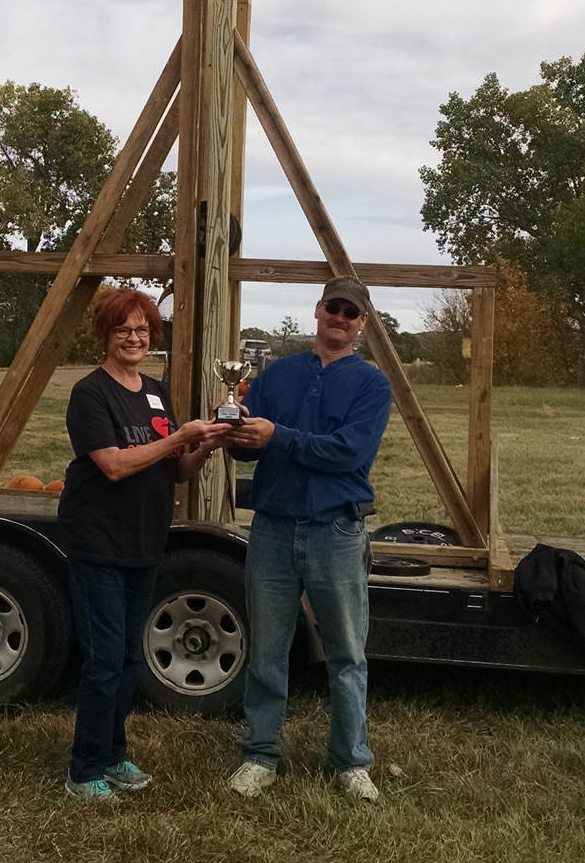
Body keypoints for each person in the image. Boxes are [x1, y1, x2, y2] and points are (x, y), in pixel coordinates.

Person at [57, 287, 231, 801]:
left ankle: (113, 755)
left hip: (143, 541)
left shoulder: (155, 390)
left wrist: (204, 447)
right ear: (106, 337)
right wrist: (179, 438)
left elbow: (175, 471)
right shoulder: (90, 393)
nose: (134, 338)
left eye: (142, 330)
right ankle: (84, 770)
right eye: (123, 330)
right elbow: (112, 465)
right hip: (98, 542)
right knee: (104, 660)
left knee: (129, 659)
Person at [223, 275, 392, 802]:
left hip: (337, 530)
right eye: (333, 308)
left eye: (351, 312)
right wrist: (236, 429)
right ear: (317, 311)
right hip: (271, 527)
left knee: (346, 654)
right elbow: (248, 453)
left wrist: (279, 435)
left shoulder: (372, 384)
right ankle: (260, 754)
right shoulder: (276, 375)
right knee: (268, 651)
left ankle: (350, 762)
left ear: (362, 323)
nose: (340, 318)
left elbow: (348, 453)